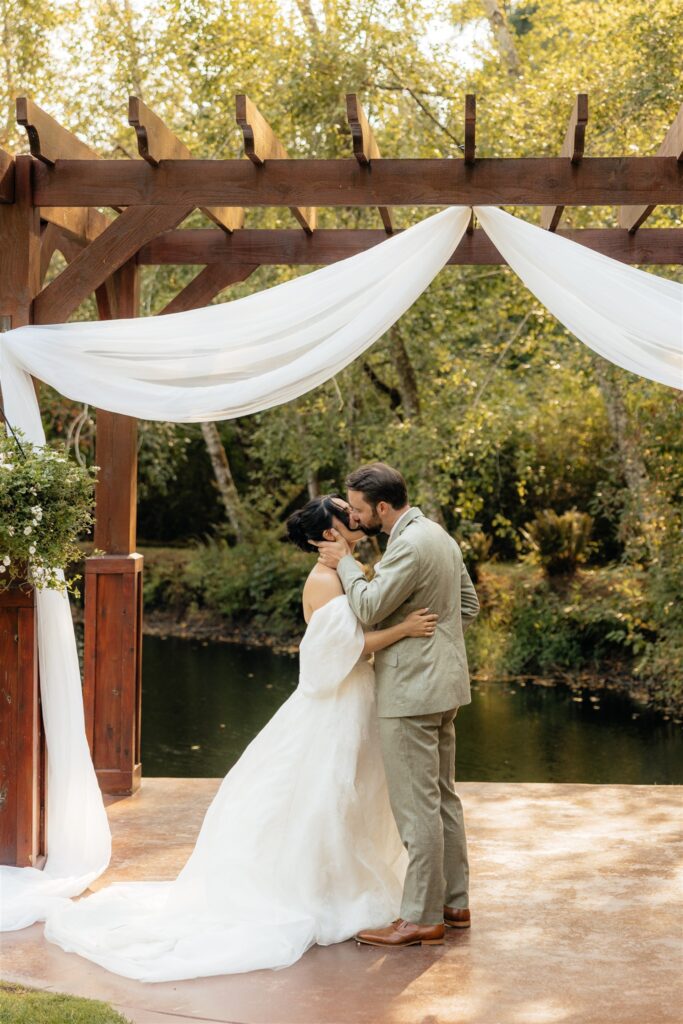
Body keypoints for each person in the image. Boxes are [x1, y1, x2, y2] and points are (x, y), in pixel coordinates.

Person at [42, 494, 439, 981]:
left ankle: (348, 882)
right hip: (336, 705)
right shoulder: (323, 580)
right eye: (344, 511)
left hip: (359, 702)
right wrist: (403, 630)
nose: (355, 516)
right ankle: (319, 891)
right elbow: (344, 652)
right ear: (330, 531)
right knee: (325, 795)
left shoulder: (349, 571)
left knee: (353, 796)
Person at [314, 462, 480, 948]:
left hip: (411, 692)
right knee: (444, 798)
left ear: (382, 508)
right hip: (445, 688)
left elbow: (366, 607)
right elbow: (467, 606)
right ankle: (455, 902)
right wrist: (431, 642)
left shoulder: (407, 545)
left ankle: (420, 917)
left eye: (360, 509)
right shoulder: (439, 536)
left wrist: (344, 559)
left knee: (417, 807)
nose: (357, 516)